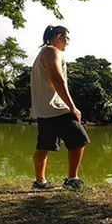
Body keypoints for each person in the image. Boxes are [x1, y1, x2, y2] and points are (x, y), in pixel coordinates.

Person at [30, 25, 90, 190]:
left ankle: (40, 182)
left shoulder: (41, 54)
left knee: (44, 146)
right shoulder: (51, 51)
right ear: (58, 36)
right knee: (79, 139)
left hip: (44, 110)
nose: (68, 43)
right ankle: (72, 179)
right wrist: (72, 107)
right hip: (56, 108)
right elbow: (57, 79)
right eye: (67, 39)